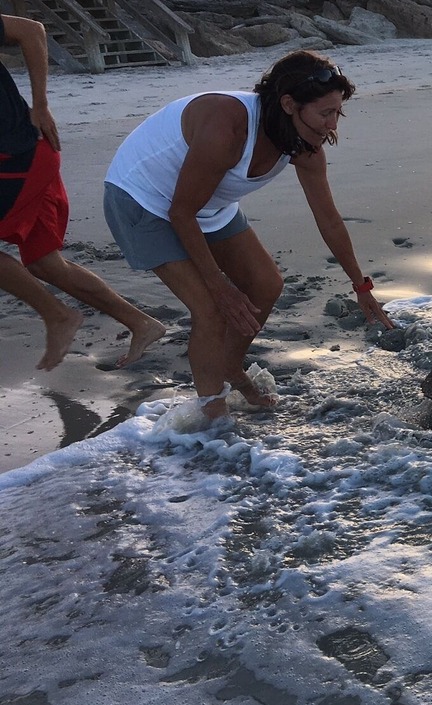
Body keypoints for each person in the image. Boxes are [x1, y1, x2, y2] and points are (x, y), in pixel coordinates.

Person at [103, 50, 393, 421]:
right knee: (209, 308)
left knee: (266, 284)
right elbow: (180, 211)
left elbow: (329, 220)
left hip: (206, 204)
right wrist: (220, 285)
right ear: (289, 104)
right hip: (143, 198)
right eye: (325, 113)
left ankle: (228, 366)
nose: (332, 125)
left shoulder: (304, 146)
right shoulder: (228, 127)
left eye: (338, 112)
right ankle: (214, 418)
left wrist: (361, 285)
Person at [0, 14, 165, 371]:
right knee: (44, 263)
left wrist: (41, 104)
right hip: (21, 156)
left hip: (19, 153)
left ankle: (58, 316)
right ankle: (142, 323)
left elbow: (32, 30)